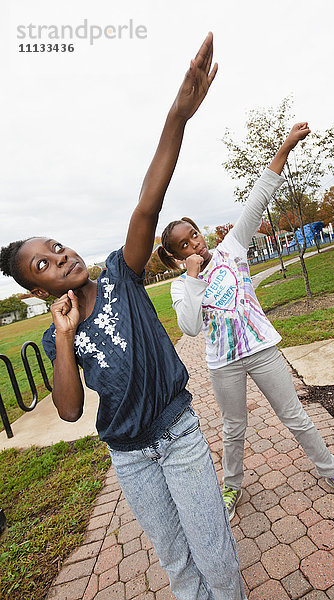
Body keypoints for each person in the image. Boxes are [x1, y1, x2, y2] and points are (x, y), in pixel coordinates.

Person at [0, 34, 247, 600]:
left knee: (215, 553)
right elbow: (66, 411)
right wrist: (63, 338)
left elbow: (146, 203)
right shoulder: (55, 332)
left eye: (56, 245)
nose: (60, 257)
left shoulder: (120, 273)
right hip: (130, 457)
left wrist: (177, 116)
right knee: (179, 565)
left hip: (178, 433)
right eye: (44, 263)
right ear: (37, 287)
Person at [157, 123, 334, 520]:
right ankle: (231, 487)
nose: (195, 244)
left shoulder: (233, 247)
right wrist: (191, 277)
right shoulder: (181, 287)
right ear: (174, 256)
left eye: (195, 235)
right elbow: (190, 328)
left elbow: (260, 194)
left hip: (261, 349)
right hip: (223, 364)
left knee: (295, 416)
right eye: (185, 245)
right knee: (233, 428)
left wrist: (286, 145)